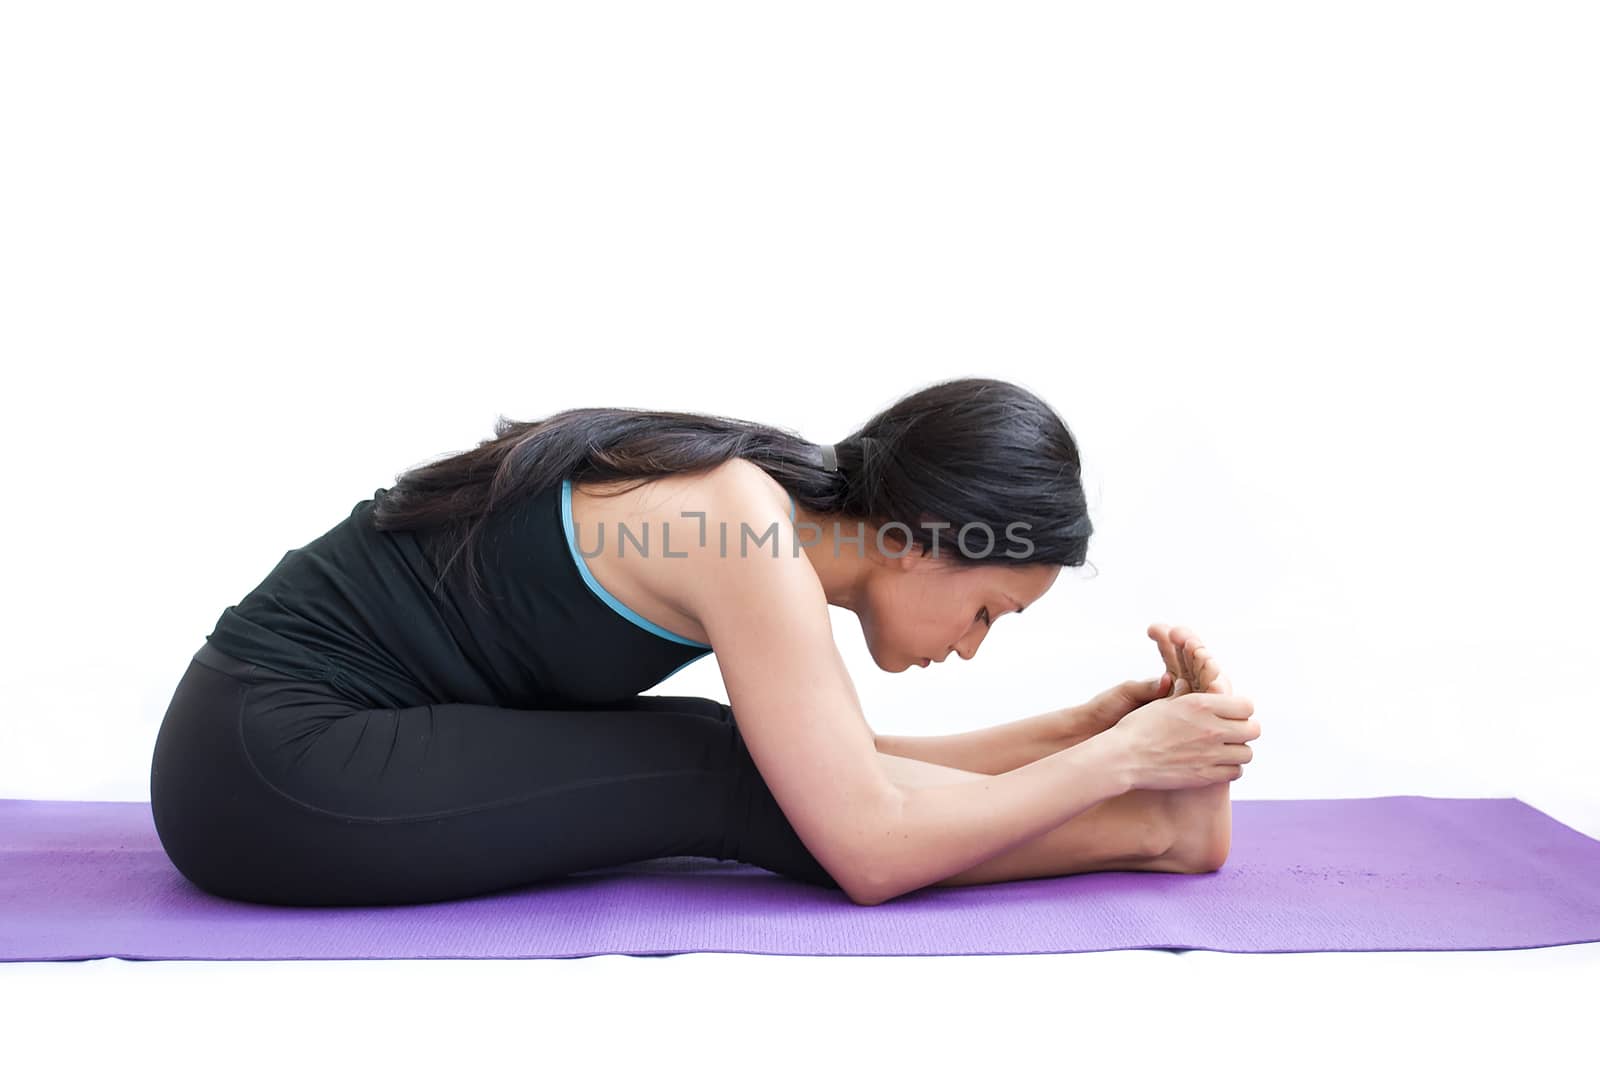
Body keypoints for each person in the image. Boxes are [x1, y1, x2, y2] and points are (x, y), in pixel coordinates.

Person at [149, 375, 1257, 908]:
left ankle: (1152, 825)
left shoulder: (748, 506)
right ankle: (1151, 835)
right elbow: (868, 847)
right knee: (706, 771)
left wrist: (1076, 729)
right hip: (273, 769)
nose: (971, 646)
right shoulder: (736, 522)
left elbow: (836, 768)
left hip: (282, 754)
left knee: (723, 755)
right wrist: (1120, 765)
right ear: (922, 542)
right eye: (986, 611)